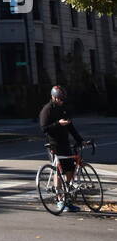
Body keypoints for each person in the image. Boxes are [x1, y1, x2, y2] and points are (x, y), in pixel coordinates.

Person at [40, 84, 85, 213]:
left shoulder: (63, 108)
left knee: (70, 169)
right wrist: (57, 124)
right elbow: (44, 128)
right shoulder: (47, 110)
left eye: (62, 99)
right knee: (58, 172)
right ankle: (59, 200)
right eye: (59, 99)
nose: (61, 101)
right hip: (53, 144)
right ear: (53, 97)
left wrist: (79, 140)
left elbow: (70, 127)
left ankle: (67, 198)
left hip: (65, 143)